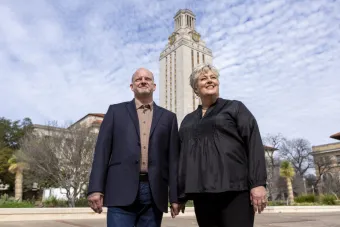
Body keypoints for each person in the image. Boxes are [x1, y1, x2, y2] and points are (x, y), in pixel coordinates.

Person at [87, 68, 181, 227]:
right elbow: (102, 152)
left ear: (154, 86)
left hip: (154, 193)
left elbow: (173, 160)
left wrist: (175, 197)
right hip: (120, 189)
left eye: (147, 79)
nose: (143, 81)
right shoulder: (115, 112)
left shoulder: (169, 118)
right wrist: (95, 188)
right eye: (138, 79)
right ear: (132, 87)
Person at [177, 63, 267, 227]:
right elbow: (182, 157)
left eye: (213, 77)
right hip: (202, 193)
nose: (210, 81)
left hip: (235, 190)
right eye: (204, 78)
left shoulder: (235, 107)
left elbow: (253, 144)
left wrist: (258, 183)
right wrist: (179, 195)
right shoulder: (188, 120)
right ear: (195, 88)